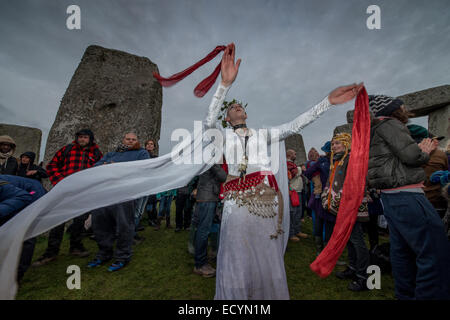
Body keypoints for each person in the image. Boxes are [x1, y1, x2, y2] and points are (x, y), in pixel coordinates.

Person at [205, 43, 363, 299]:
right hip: (235, 202)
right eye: (231, 108)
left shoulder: (262, 134)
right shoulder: (221, 136)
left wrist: (327, 102)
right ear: (228, 118)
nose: (236, 108)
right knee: (236, 249)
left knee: (264, 250)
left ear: (246, 113)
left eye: (240, 107)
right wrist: (224, 85)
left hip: (264, 201)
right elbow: (208, 121)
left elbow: (295, 124)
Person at [368, 94, 450, 300]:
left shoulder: (375, 131)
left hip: (391, 198)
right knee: (435, 253)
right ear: (393, 110)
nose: (405, 108)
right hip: (407, 195)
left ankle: (405, 295)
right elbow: (412, 156)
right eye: (401, 106)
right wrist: (425, 151)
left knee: (402, 252)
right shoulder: (390, 125)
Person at [32, 129, 103, 267]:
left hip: (83, 192)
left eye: (85, 137)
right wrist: (60, 181)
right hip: (65, 190)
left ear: (91, 139)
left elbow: (99, 171)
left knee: (80, 220)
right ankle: (51, 252)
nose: (82, 140)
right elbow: (52, 166)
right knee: (58, 220)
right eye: (80, 137)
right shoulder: (67, 149)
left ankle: (76, 246)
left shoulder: (96, 153)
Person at [87, 132, 149, 271]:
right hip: (105, 193)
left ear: (137, 141)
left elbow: (143, 168)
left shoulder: (142, 153)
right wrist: (109, 164)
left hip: (125, 194)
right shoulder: (111, 154)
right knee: (101, 224)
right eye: (128, 139)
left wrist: (116, 167)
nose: (131, 141)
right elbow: (96, 167)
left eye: (134, 139)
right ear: (123, 139)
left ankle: (122, 256)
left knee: (124, 225)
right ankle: (104, 253)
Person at [320, 133, 370, 291]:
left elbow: (356, 182)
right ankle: (353, 268)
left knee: (357, 240)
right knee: (348, 239)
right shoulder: (336, 160)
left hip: (351, 207)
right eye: (333, 144)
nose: (334, 147)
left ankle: (364, 277)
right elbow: (330, 182)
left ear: (346, 144)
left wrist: (341, 198)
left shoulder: (351, 159)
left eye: (337, 144)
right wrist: (326, 195)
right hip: (340, 207)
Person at [0, 175, 46, 281]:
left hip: (33, 196)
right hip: (12, 200)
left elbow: (23, 196)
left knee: (26, 237)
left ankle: (16, 276)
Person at [192, 164, 227, 277]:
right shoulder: (212, 157)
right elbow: (222, 176)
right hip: (207, 197)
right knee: (203, 231)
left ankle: (201, 260)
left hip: (206, 196)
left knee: (203, 230)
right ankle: (200, 265)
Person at [408, 124, 448, 218]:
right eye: (434, 139)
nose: (437, 142)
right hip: (436, 201)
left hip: (415, 201)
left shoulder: (404, 156)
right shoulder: (441, 154)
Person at [305, 141, 336, 256]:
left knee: (327, 222)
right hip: (322, 195)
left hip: (328, 196)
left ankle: (325, 251)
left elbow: (308, 172)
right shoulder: (323, 161)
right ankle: (321, 250)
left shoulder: (334, 161)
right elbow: (308, 172)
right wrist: (316, 179)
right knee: (322, 221)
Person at [286, 149, 307, 242]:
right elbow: (293, 174)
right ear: (290, 155)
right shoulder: (287, 164)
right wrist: (300, 169)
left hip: (298, 191)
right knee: (292, 213)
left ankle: (297, 230)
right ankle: (291, 234)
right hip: (293, 191)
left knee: (298, 212)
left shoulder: (292, 164)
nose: (296, 155)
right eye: (294, 153)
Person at [144, 139, 158, 227]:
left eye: (151, 144)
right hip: (145, 182)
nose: (149, 145)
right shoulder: (142, 155)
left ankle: (154, 218)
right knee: (149, 201)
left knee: (153, 201)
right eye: (148, 144)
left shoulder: (155, 157)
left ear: (154, 146)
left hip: (153, 182)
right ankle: (150, 219)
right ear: (145, 146)